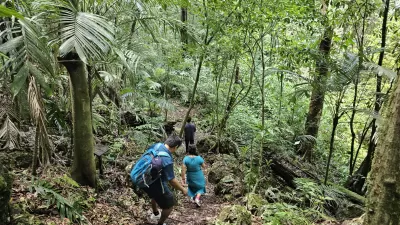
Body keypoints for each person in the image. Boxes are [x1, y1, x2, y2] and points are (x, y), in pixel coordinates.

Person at [142, 135, 187, 225]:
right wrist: (183, 189)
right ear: (175, 147)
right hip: (155, 181)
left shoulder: (156, 145)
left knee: (154, 194)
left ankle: (155, 214)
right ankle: (160, 223)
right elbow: (172, 180)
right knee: (169, 205)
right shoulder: (167, 159)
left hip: (143, 177)